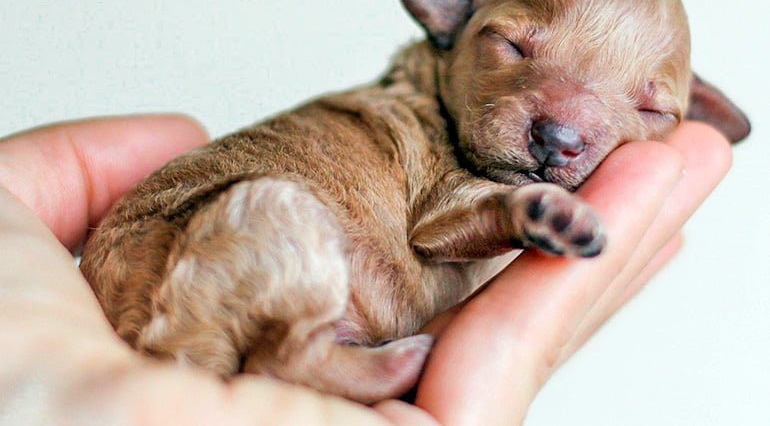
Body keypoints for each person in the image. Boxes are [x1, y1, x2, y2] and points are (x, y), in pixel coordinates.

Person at [0, 114, 732, 425]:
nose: (566, 125)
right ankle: (312, 355)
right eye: (516, 47)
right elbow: (441, 224)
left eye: (643, 102)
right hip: (226, 280)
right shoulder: (417, 129)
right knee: (280, 224)